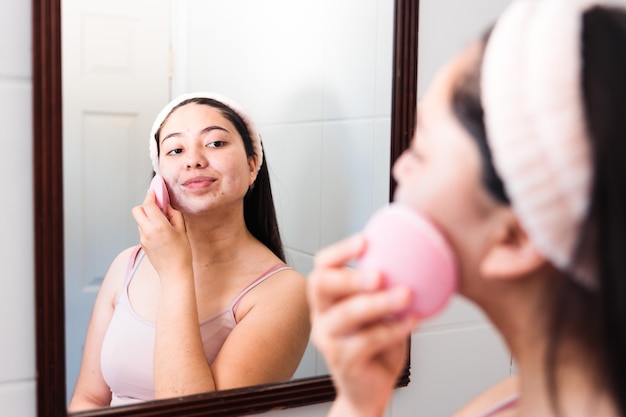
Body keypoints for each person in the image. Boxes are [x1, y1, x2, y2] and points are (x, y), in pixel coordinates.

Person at [307, 0, 626, 416]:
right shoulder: (509, 400)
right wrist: (359, 402)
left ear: (515, 237)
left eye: (420, 151)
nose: (399, 167)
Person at [69, 92, 311, 411]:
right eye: (175, 149)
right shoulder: (125, 265)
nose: (193, 160)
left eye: (215, 143)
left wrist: (174, 273)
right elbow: (88, 399)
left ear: (253, 165)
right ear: (159, 178)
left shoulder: (285, 292)